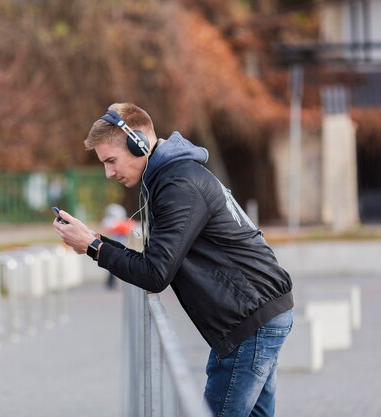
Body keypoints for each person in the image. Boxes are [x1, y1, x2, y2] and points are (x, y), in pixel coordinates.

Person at [53, 102, 293, 417]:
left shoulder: (177, 184)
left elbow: (155, 273)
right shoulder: (172, 177)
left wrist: (93, 247)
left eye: (111, 160)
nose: (109, 173)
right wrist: (95, 242)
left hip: (250, 320)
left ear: (137, 143)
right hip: (256, 314)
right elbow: (154, 261)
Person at [101, 203, 134, 289]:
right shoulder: (111, 222)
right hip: (113, 247)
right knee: (112, 266)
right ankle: (111, 283)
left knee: (114, 266)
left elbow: (127, 231)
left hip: (119, 248)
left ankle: (112, 283)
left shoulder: (122, 223)